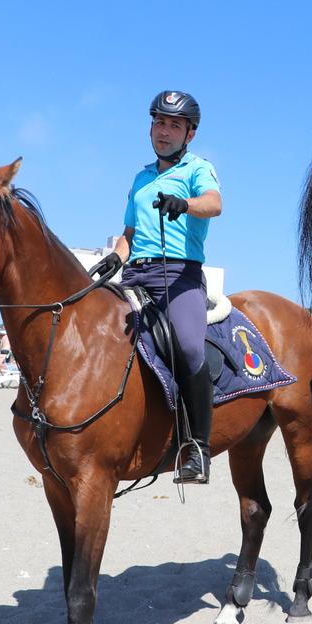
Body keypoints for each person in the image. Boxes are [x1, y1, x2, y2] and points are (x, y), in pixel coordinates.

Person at [89, 90, 222, 484]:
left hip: (178, 276)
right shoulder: (141, 177)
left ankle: (198, 448)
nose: (164, 131)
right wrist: (117, 255)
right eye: (159, 123)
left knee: (188, 346)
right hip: (135, 275)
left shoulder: (200, 168)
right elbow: (130, 231)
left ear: (190, 134)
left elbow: (214, 204)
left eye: (174, 125)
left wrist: (186, 204)